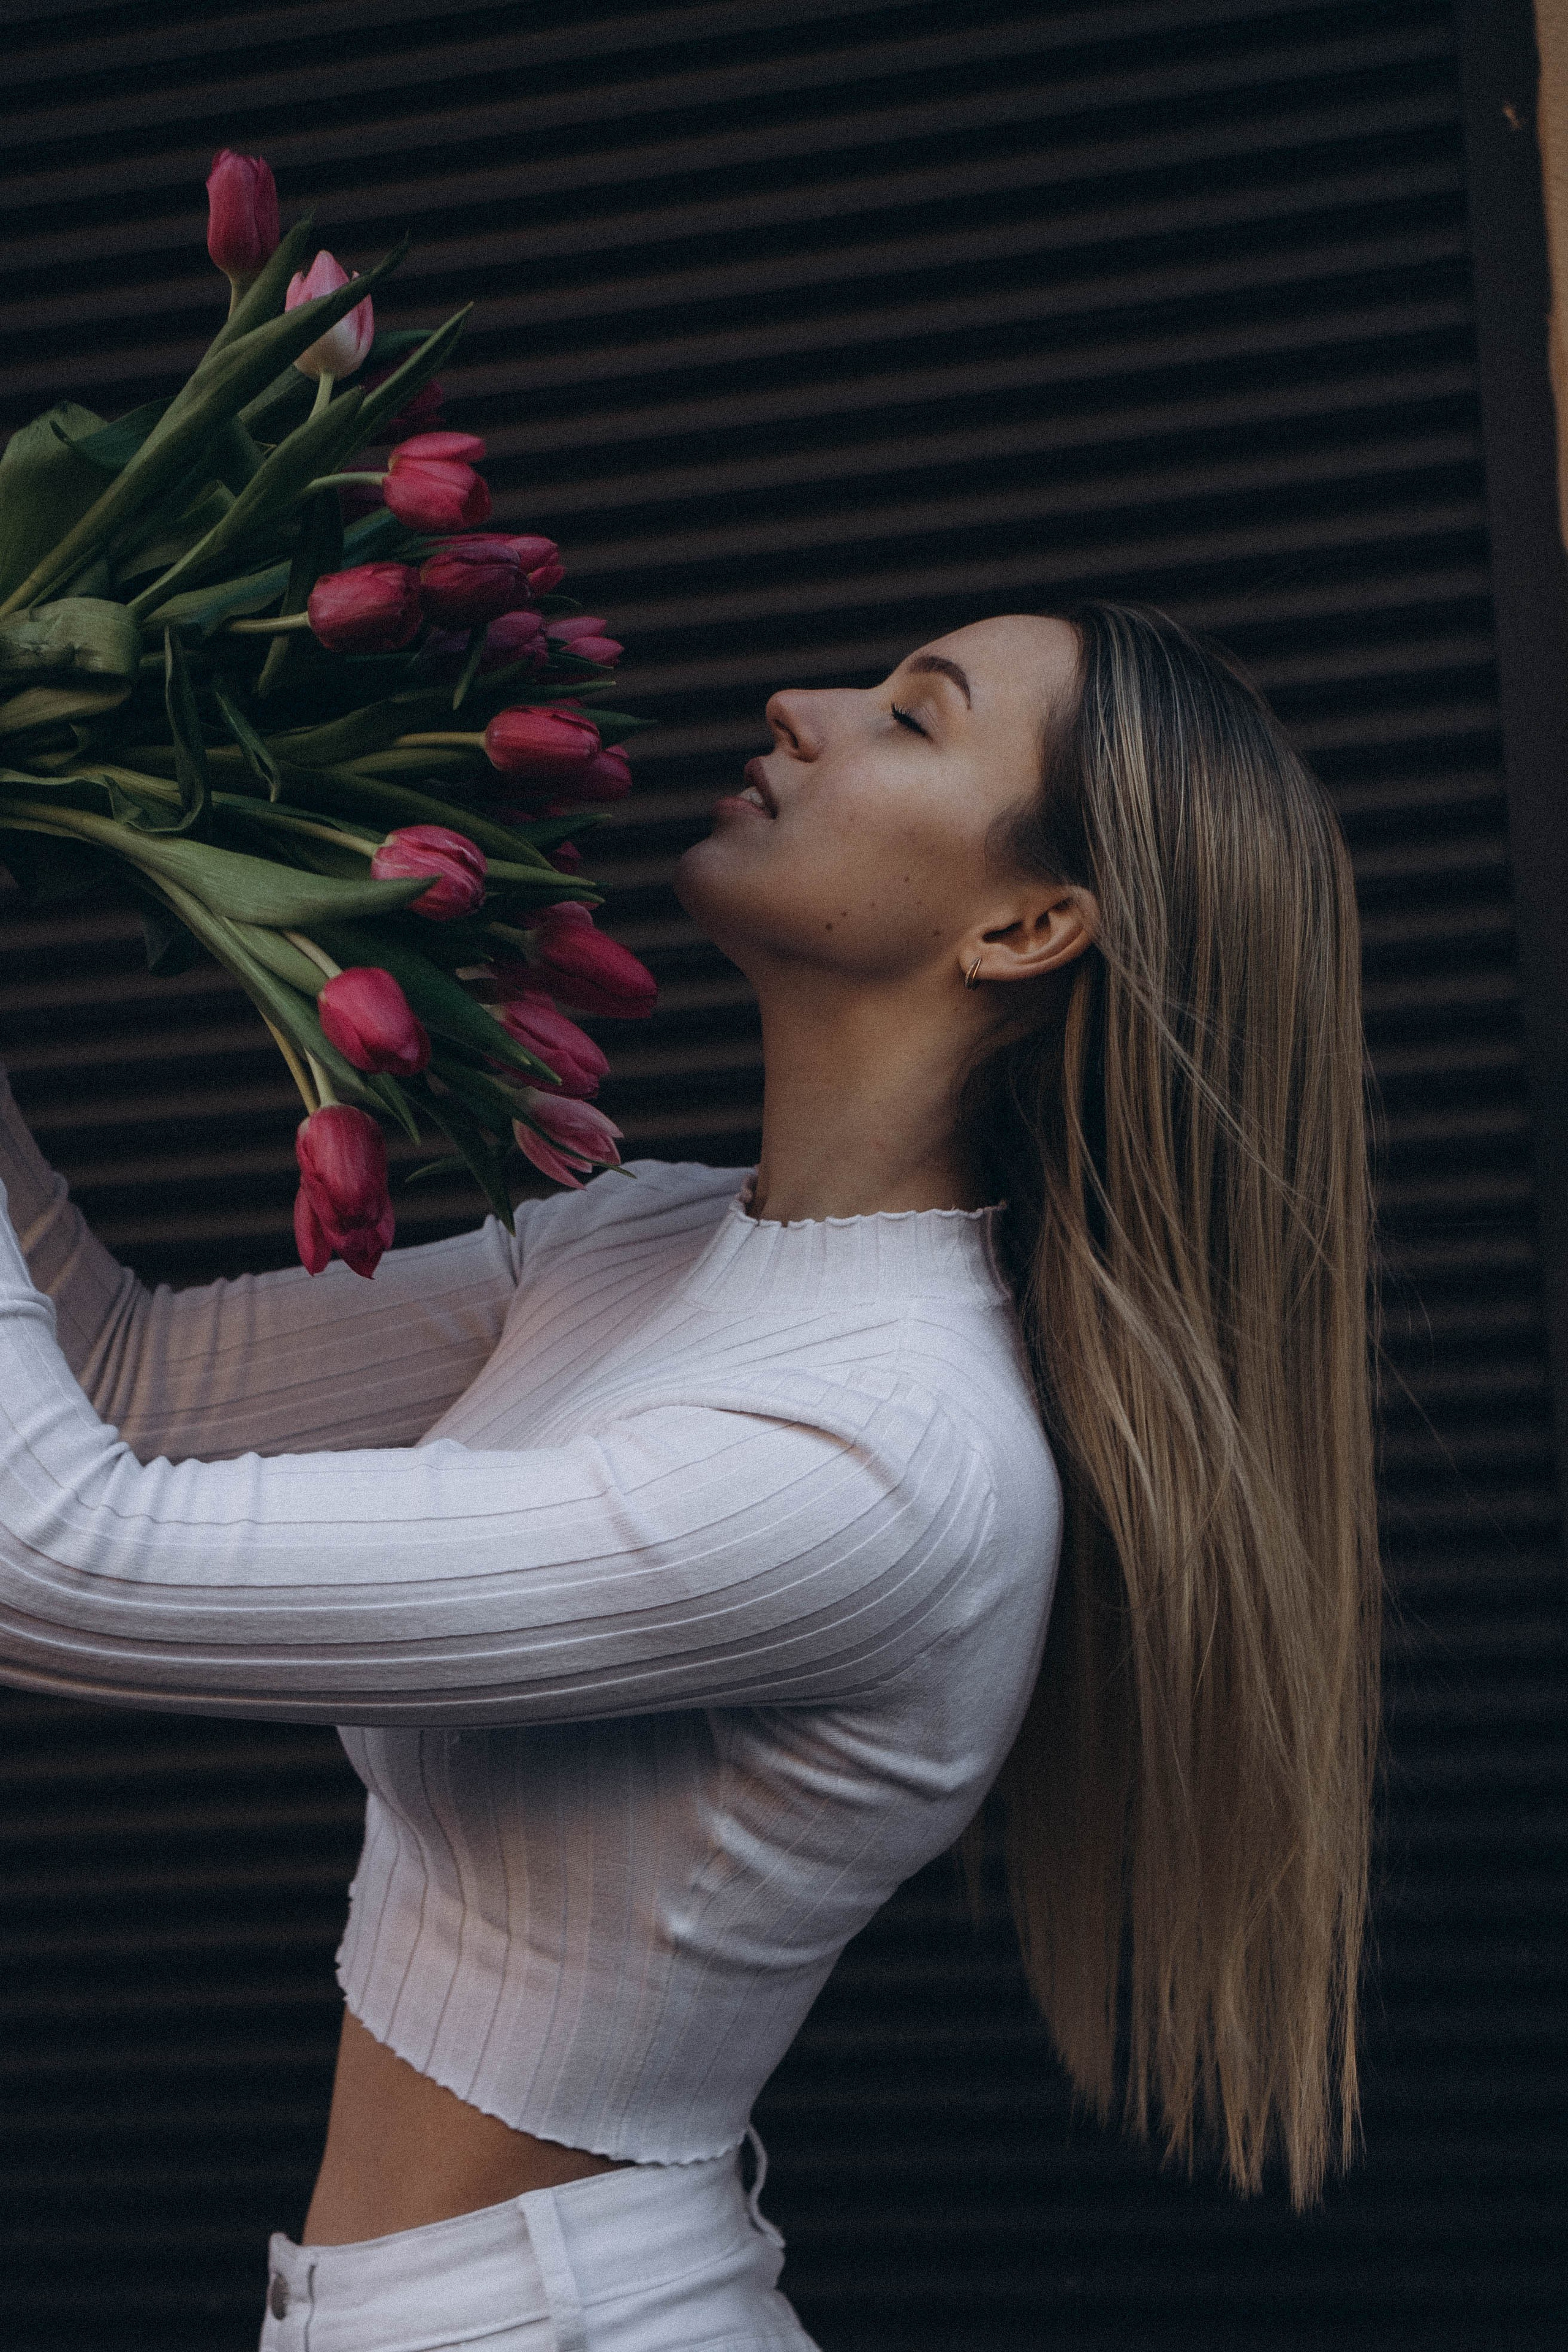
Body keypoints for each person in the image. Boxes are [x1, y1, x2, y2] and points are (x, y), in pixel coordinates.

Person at [0, 605, 1379, 2352]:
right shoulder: (648, 1237)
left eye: (909, 718)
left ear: (1030, 926)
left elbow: (48, 1555)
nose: (800, 710)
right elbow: (127, 1381)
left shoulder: (884, 1463)